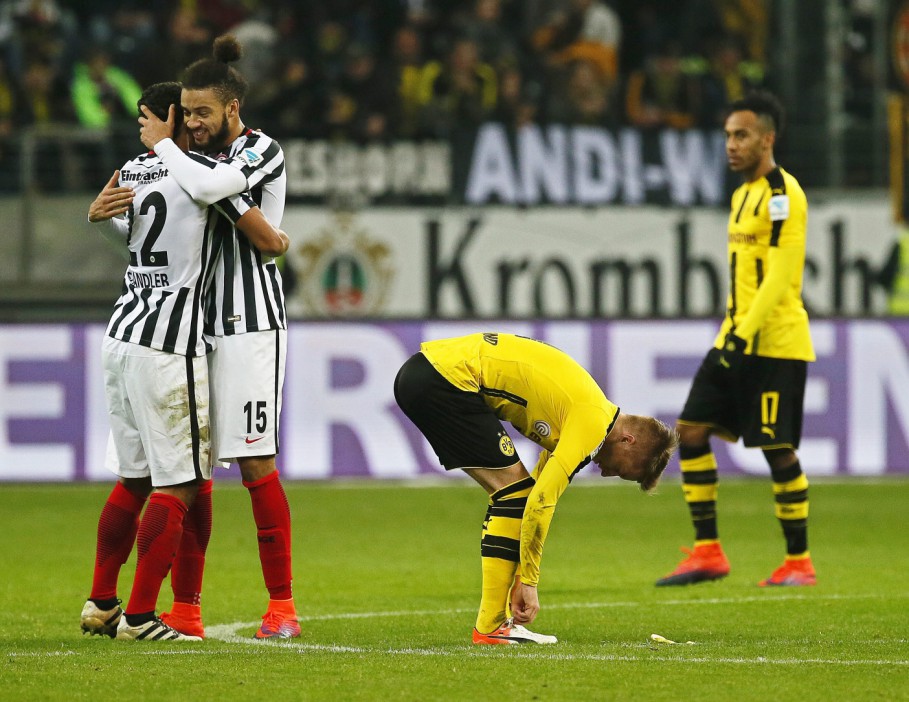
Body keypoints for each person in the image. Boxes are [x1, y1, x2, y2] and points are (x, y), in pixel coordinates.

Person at [79, 82, 287, 642]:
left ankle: (101, 603)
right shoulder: (193, 173)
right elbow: (265, 238)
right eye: (186, 113)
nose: (194, 123)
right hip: (169, 344)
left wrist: (98, 213)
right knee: (185, 481)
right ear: (176, 117)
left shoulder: (135, 169)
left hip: (120, 332)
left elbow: (127, 226)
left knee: (134, 478)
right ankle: (145, 615)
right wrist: (275, 238)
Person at [137, 34, 298, 640]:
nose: (194, 123)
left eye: (204, 112)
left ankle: (282, 608)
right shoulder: (185, 157)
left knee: (255, 462)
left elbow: (209, 187)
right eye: (188, 112)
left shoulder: (262, 150)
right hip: (194, 328)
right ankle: (186, 609)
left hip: (251, 326)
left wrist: (164, 148)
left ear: (232, 107)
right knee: (192, 470)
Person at [394, 332, 678, 644]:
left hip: (430, 373)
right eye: (622, 469)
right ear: (628, 441)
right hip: (444, 381)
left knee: (515, 494)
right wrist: (528, 582)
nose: (608, 473)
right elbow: (541, 502)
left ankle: (495, 625)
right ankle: (491, 628)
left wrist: (522, 577)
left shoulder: (584, 412)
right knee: (513, 495)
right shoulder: (591, 424)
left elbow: (536, 495)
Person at [655, 90, 817, 588]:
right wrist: (733, 335)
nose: (731, 144)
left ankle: (799, 562)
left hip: (773, 344)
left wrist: (743, 334)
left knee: (777, 448)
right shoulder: (741, 194)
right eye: (727, 135)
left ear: (767, 139)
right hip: (736, 338)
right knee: (691, 429)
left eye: (741, 135)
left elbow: (782, 276)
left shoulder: (783, 196)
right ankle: (708, 551)